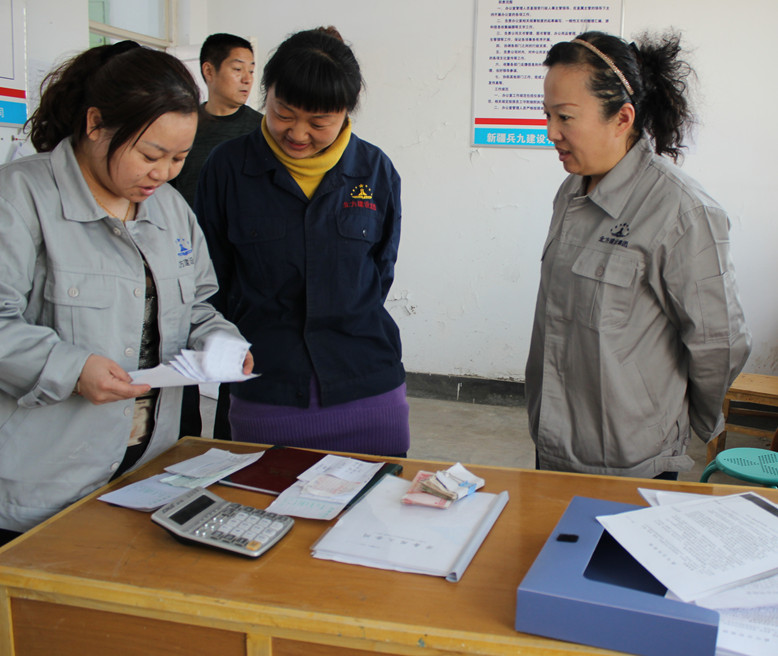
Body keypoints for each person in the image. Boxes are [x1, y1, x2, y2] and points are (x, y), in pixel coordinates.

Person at [0, 42, 252, 545]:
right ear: (95, 124)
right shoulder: (21, 197)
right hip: (42, 484)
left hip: (149, 474)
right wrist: (72, 368)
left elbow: (197, 304)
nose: (164, 173)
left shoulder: (171, 209)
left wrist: (220, 342)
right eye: (150, 155)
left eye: (179, 158)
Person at [525, 31, 751, 479]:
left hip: (633, 459)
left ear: (622, 117)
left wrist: (682, 426)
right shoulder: (570, 193)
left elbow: (719, 342)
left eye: (565, 117)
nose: (551, 132)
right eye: (547, 114)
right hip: (554, 443)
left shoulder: (682, 211)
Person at [196, 27, 409, 457]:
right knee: (260, 496)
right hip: (267, 386)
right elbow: (211, 277)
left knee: (377, 494)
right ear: (267, 95)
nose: (297, 133)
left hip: (366, 383)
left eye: (318, 122)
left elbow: (380, 271)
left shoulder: (375, 171)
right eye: (284, 113)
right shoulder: (228, 168)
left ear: (345, 112)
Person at [170, 33, 262, 440]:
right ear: (209, 71)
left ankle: (228, 441)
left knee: (235, 355)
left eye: (251, 71)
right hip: (185, 262)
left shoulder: (260, 131)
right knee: (180, 355)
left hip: (237, 265)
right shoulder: (186, 127)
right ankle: (184, 439)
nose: (246, 79)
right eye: (237, 69)